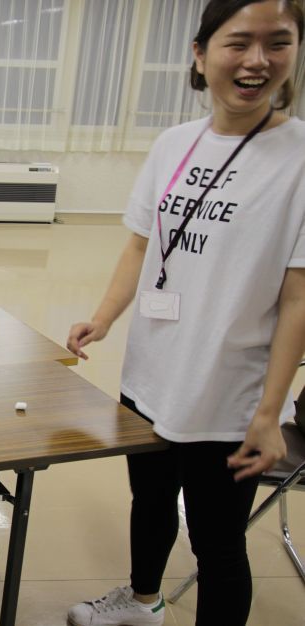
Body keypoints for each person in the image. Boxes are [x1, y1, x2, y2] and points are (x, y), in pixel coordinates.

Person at [65, 1, 305, 624]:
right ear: (201, 54)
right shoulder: (175, 143)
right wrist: (105, 316)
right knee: (148, 502)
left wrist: (271, 412)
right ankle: (143, 603)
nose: (257, 60)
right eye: (239, 42)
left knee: (217, 544)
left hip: (228, 397)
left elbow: (299, 299)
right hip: (149, 375)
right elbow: (143, 244)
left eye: (277, 42)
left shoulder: (300, 159)